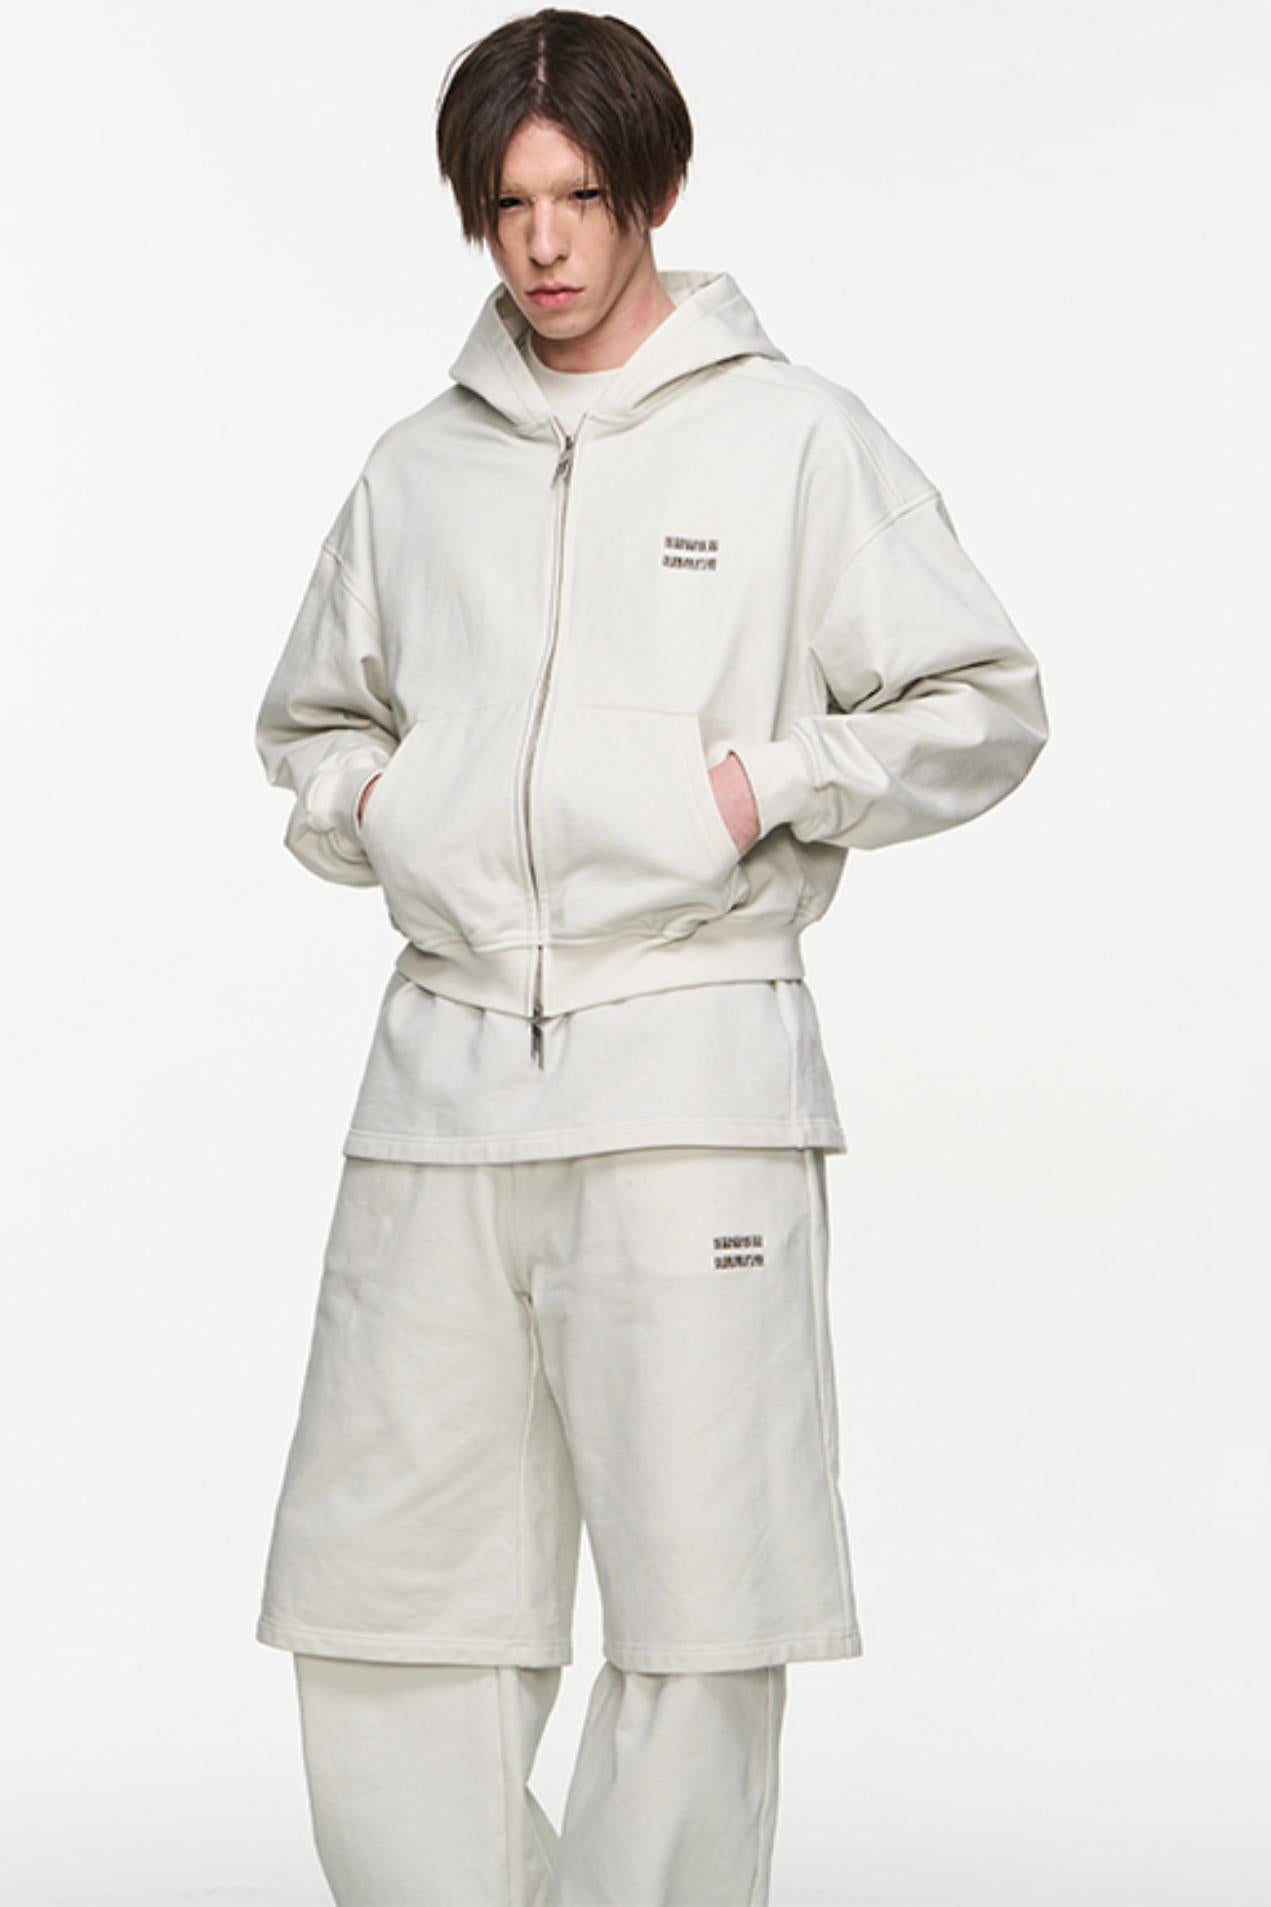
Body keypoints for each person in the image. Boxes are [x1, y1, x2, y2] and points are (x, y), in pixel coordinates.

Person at [251, 9, 1050, 1903]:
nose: (542, 244)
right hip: (441, 1094)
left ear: (653, 194)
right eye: (507, 205)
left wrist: (758, 783)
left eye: (580, 198)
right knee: (387, 1603)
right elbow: (311, 727)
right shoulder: (415, 469)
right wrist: (388, 808)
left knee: (700, 1610)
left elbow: (980, 703)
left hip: (692, 1085)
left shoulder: (794, 439)